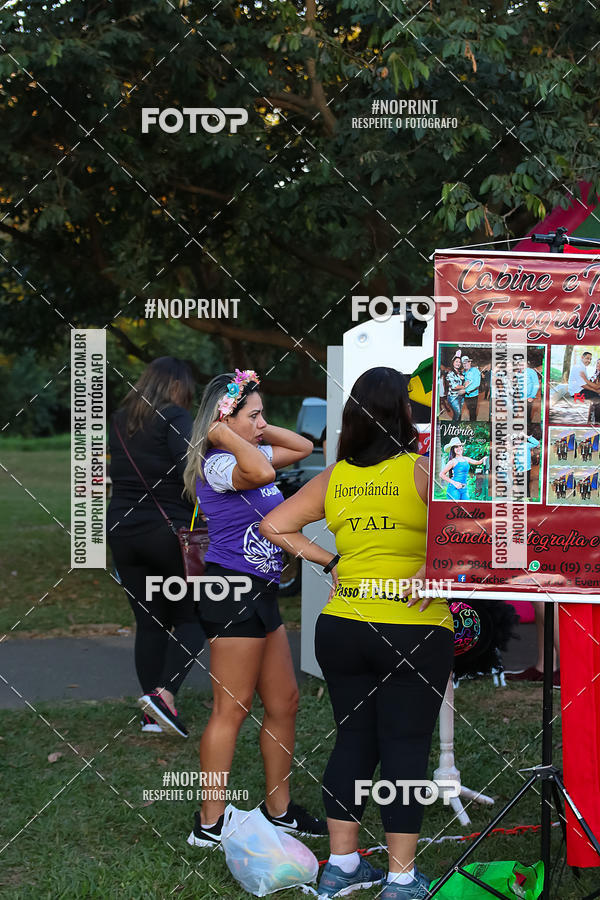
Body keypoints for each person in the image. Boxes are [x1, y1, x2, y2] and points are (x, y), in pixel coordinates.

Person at [260, 367, 454, 900]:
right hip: (412, 628)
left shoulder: (336, 477)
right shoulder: (423, 470)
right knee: (405, 748)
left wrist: (333, 559)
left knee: (353, 739)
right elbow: (479, 526)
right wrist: (435, 566)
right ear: (405, 414)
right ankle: (400, 879)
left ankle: (342, 866)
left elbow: (273, 526)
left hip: (343, 626)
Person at [182, 369, 326, 848]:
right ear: (224, 421)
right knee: (232, 708)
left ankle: (279, 810)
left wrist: (254, 422)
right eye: (254, 414)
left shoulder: (251, 449)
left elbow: (304, 448)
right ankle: (210, 823)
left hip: (260, 591)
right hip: (230, 591)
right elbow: (263, 473)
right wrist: (222, 431)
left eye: (264, 414)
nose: (262, 424)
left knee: (284, 702)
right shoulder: (220, 464)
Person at [107, 357, 206, 736]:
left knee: (149, 623)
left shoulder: (120, 419)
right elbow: (191, 471)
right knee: (191, 617)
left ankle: (153, 716)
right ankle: (165, 695)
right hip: (169, 533)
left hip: (122, 531)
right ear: (178, 386)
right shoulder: (175, 417)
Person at [439, 437, 487, 501]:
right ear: (453, 449)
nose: (459, 448)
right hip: (454, 488)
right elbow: (441, 474)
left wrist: (485, 458)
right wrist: (454, 483)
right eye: (456, 447)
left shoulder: (466, 459)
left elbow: (478, 462)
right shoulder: (452, 461)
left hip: (464, 488)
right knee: (455, 508)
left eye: (460, 446)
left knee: (466, 506)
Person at [444, 354, 465, 422]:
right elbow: (454, 387)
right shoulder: (450, 373)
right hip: (453, 397)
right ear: (453, 362)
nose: (458, 363)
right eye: (456, 361)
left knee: (459, 414)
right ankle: (453, 428)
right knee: (457, 414)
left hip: (461, 396)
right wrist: (465, 386)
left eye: (459, 362)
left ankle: (458, 428)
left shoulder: (460, 373)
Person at [461, 355, 481, 421]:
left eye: (466, 362)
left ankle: (473, 425)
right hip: (466, 396)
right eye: (463, 363)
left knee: (473, 412)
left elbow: (477, 383)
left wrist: (466, 390)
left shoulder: (475, 370)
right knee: (469, 409)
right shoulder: (463, 372)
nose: (465, 364)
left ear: (470, 362)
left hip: (473, 395)